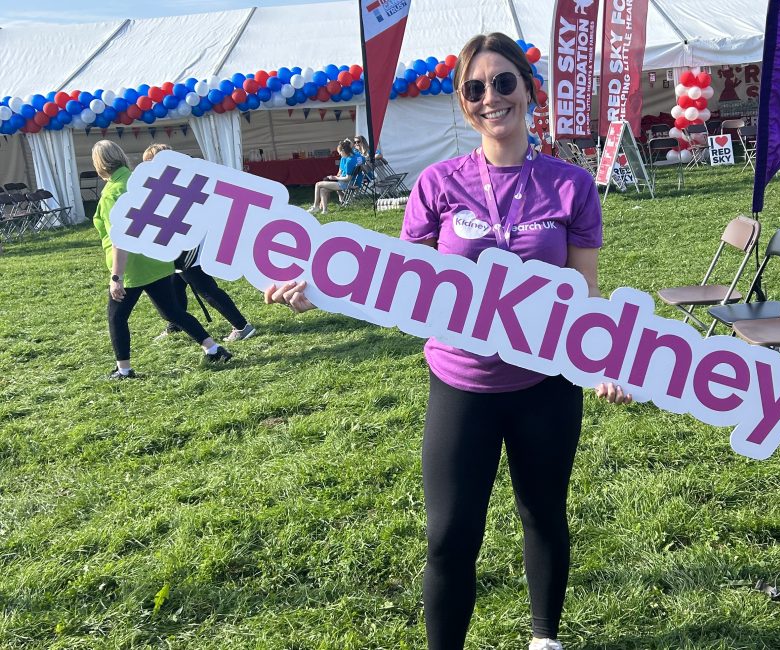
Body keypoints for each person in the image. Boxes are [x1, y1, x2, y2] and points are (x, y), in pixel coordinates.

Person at [265, 32, 631, 650]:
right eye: (476, 89)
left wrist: (601, 360)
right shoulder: (439, 184)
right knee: (450, 536)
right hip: (463, 382)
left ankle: (544, 638)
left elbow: (584, 293)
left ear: (528, 89)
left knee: (542, 514)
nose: (492, 97)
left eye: (504, 82)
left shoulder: (571, 186)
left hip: (546, 384)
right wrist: (322, 288)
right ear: (465, 104)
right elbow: (394, 277)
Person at [90, 140, 231, 379]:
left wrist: (116, 276)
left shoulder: (111, 193)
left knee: (117, 317)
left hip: (133, 267)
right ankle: (214, 349)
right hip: (157, 257)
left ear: (99, 165)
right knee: (173, 312)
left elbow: (120, 238)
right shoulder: (140, 182)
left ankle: (124, 370)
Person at [142, 144, 256, 343]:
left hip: (187, 246)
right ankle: (176, 323)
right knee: (174, 284)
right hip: (182, 244)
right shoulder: (180, 179)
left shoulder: (177, 182)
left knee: (205, 289)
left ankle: (241, 325)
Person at [308, 139, 363, 213]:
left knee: (318, 184)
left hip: (347, 184)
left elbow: (347, 178)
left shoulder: (349, 161)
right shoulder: (358, 156)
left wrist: (335, 177)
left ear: (343, 151)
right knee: (322, 190)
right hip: (355, 181)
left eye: (340, 152)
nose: (340, 155)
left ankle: (315, 206)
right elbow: (363, 163)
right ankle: (324, 210)